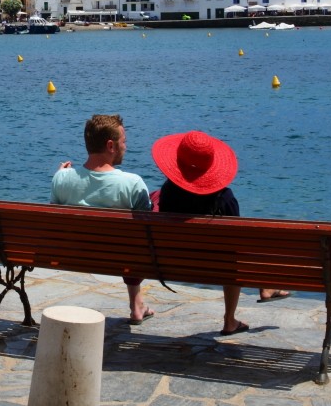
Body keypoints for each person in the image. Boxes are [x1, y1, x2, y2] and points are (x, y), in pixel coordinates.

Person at [151, 130, 290, 336]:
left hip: (173, 262)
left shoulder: (168, 192)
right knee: (233, 256)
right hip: (219, 267)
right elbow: (237, 241)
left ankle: (265, 287)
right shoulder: (224, 198)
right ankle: (231, 318)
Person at [51, 114, 155, 324]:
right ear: (111, 145)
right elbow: (147, 233)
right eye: (123, 141)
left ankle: (138, 304)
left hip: (74, 255)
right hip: (121, 257)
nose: (126, 146)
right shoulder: (132, 183)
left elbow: (54, 217)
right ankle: (136, 305)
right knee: (151, 205)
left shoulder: (61, 178)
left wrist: (60, 177)